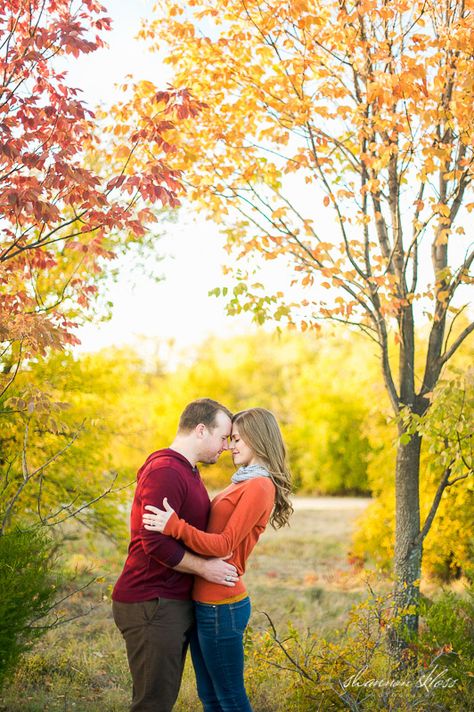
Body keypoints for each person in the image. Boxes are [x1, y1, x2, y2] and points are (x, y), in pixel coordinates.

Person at [143, 407, 293, 712]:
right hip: (207, 601)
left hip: (221, 605)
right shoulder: (243, 480)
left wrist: (174, 526)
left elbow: (224, 544)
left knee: (230, 698)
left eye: (237, 439)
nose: (230, 446)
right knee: (209, 696)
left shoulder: (260, 486)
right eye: (230, 438)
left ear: (258, 439)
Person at [112, 398, 239, 712]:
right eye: (223, 437)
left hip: (169, 601)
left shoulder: (187, 470)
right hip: (152, 603)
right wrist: (204, 569)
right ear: (200, 430)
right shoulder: (166, 470)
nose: (225, 446)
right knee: (153, 704)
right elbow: (152, 542)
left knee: (162, 700)